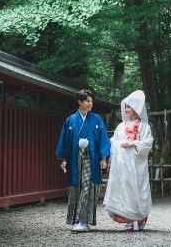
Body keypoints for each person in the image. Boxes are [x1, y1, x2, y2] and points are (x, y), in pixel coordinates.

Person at [55, 89, 110, 232]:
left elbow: (103, 138)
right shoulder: (70, 120)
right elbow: (64, 141)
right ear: (80, 102)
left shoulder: (97, 119)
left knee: (88, 187)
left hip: (91, 158)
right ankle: (76, 219)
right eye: (88, 101)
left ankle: (84, 221)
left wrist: (104, 158)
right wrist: (63, 159)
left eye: (92, 101)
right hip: (74, 157)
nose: (90, 103)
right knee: (75, 187)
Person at [103, 90, 153, 232]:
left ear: (136, 109)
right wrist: (119, 145)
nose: (126, 109)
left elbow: (148, 143)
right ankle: (128, 221)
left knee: (137, 189)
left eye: (129, 107)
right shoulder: (120, 126)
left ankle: (141, 216)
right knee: (123, 191)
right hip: (123, 165)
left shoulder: (144, 126)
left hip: (137, 165)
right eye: (125, 107)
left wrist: (133, 144)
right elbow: (114, 141)